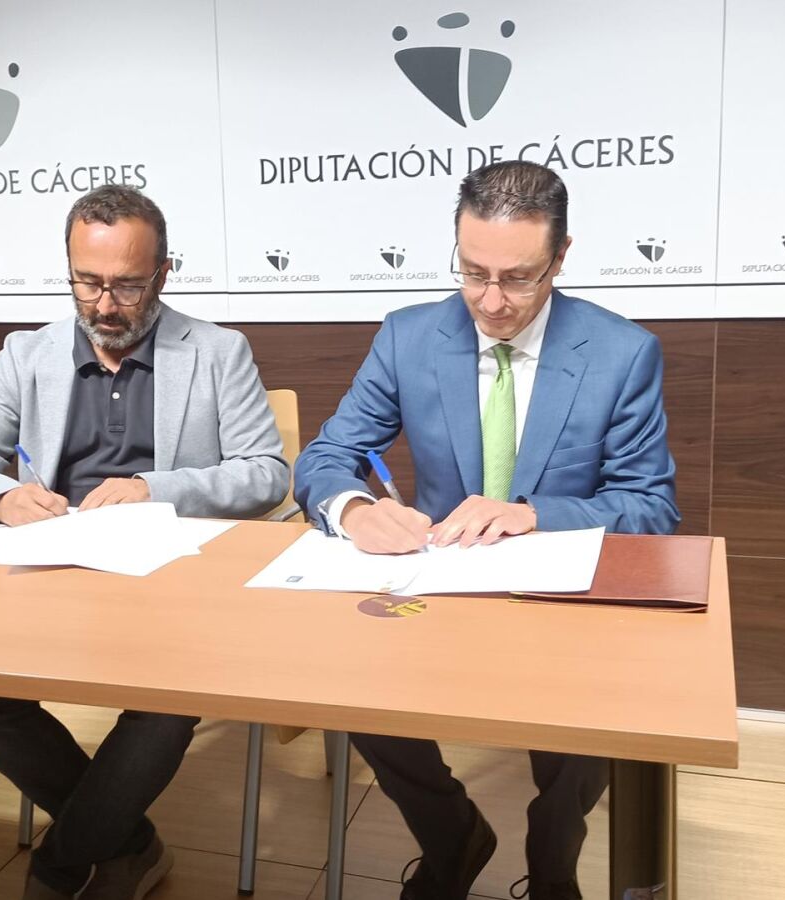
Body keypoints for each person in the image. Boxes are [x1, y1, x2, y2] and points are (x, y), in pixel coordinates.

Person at [292, 160, 679, 900]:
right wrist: (355, 510)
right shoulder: (409, 337)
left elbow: (650, 506)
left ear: (561, 258)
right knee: (349, 682)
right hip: (442, 586)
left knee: (590, 719)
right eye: (473, 273)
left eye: (518, 279)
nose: (492, 301)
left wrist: (535, 514)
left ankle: (553, 863)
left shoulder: (622, 353)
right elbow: (327, 455)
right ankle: (452, 837)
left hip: (562, 601)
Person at [0, 184, 288, 900]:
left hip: (175, 583)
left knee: (165, 702)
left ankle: (63, 866)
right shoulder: (26, 354)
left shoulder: (218, 351)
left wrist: (156, 487)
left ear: (163, 274)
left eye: (127, 285)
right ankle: (127, 842)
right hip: (53, 576)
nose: (105, 304)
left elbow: (266, 473)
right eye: (87, 282)